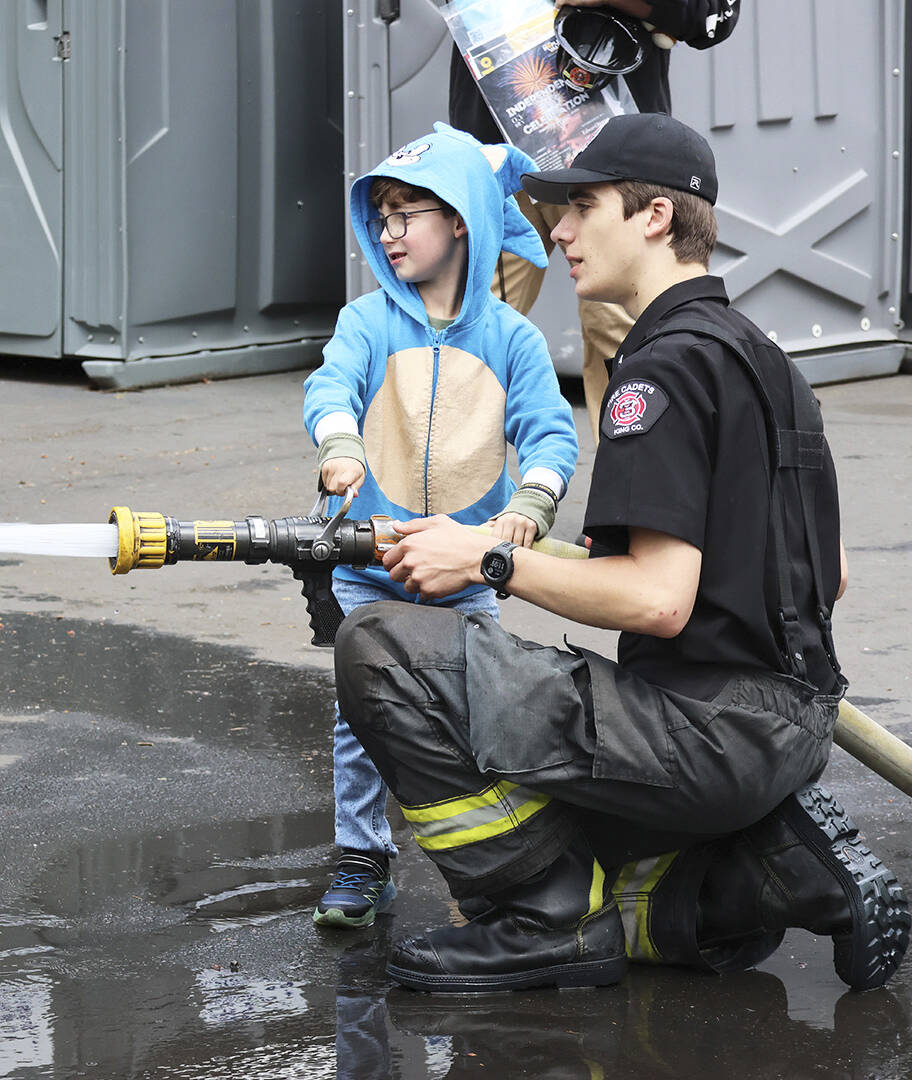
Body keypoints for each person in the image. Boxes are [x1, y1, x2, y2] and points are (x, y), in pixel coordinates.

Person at [333, 113, 910, 992]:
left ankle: (539, 918)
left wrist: (484, 560)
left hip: (703, 736)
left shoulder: (659, 369)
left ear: (653, 219)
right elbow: (826, 576)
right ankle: (770, 872)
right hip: (794, 730)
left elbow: (658, 601)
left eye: (581, 205)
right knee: (615, 873)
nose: (556, 230)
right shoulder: (772, 363)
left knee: (380, 645)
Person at [303, 123, 579, 930]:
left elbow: (552, 435)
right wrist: (340, 445)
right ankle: (362, 857)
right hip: (368, 563)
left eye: (406, 215)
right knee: (362, 718)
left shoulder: (512, 339)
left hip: (464, 570)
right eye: (379, 217)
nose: (388, 234)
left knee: (482, 711)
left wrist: (530, 504)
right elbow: (329, 387)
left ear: (459, 217)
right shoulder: (366, 323)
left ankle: (496, 864)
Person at [449, 0, 740, 443]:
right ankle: (451, 498)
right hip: (502, 142)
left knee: (625, 332)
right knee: (470, 331)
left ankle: (630, 496)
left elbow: (710, 17)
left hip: (616, 153)